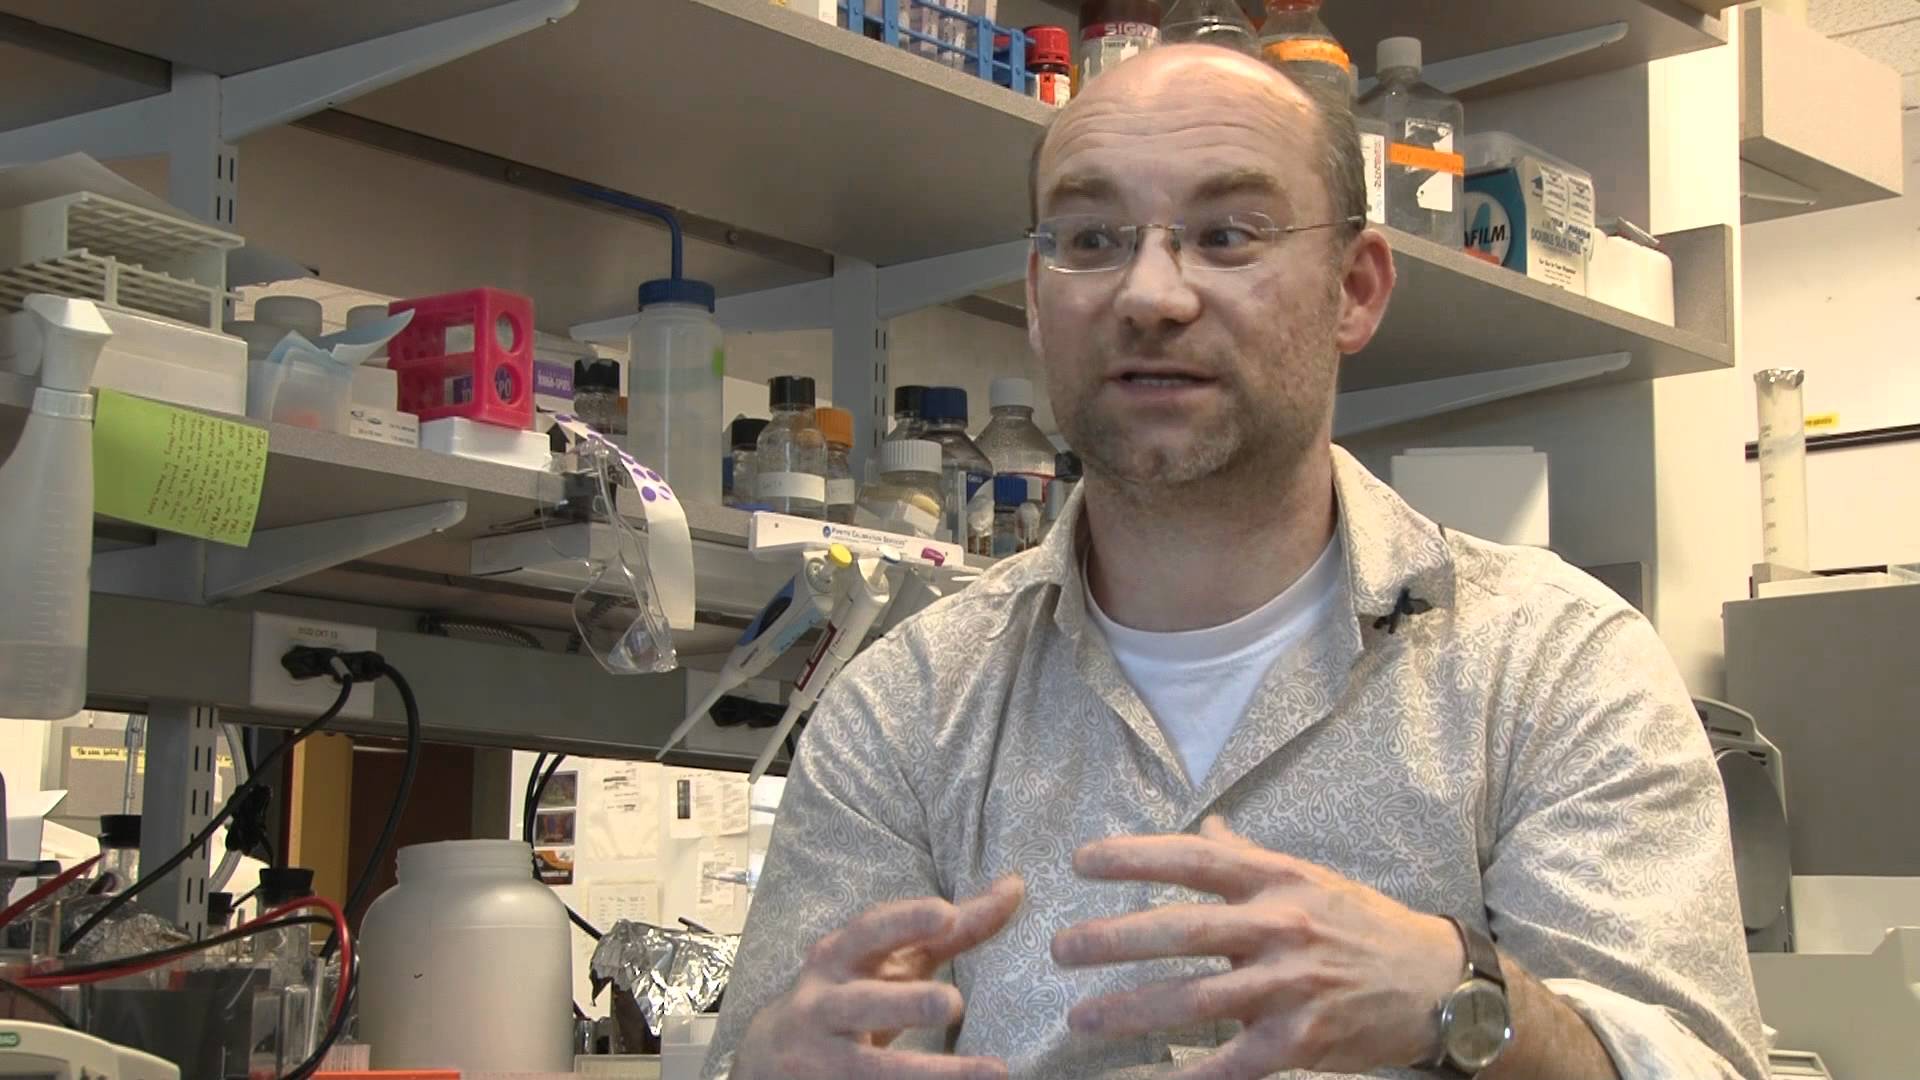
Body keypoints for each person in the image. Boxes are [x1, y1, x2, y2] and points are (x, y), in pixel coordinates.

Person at [703, 44, 1766, 1080]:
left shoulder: (1553, 668)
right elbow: (787, 1049)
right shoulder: (903, 711)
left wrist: (1461, 998)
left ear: (1355, 288)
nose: (1150, 294)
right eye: (1091, 238)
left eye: (1226, 235)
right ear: (1035, 297)